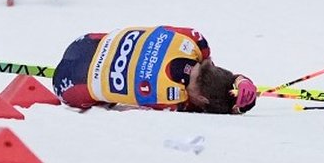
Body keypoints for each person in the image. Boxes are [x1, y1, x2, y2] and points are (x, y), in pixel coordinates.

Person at [52, 26, 257, 114]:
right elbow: (206, 110)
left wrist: (239, 80)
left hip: (85, 41)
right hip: (69, 84)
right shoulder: (173, 101)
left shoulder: (195, 41)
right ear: (203, 100)